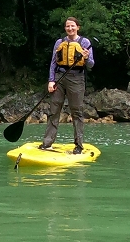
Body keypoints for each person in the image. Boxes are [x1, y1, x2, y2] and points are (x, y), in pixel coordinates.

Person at [40, 17, 94, 154]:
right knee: (54, 110)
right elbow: (53, 62)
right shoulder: (60, 42)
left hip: (76, 78)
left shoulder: (85, 42)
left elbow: (91, 65)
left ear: (78, 27)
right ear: (65, 28)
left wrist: (87, 58)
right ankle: (47, 143)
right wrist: (51, 80)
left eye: (73, 26)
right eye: (67, 26)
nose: (70, 28)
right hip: (59, 77)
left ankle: (79, 146)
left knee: (76, 112)